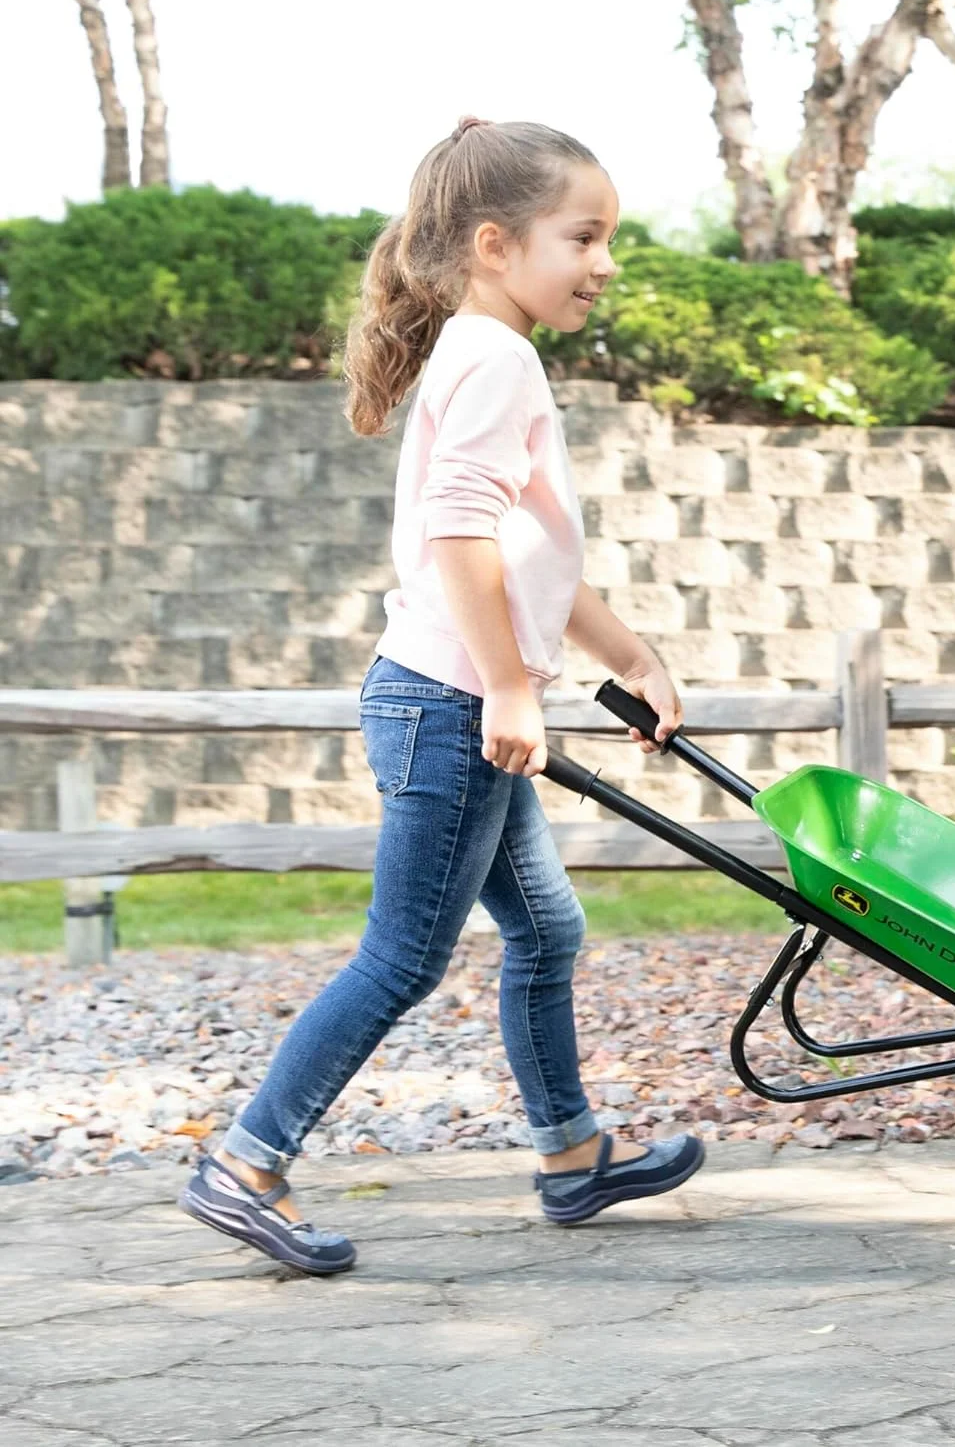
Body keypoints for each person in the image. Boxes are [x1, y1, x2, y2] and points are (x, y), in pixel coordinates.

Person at [178, 118, 703, 1275]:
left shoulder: (487, 352)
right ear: (494, 244)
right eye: (585, 236)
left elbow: (521, 549)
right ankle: (245, 1165)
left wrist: (627, 653)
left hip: (450, 699)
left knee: (544, 928)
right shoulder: (496, 357)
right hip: (450, 706)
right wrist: (510, 688)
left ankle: (572, 1159)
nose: (606, 261)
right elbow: (458, 532)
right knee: (405, 954)